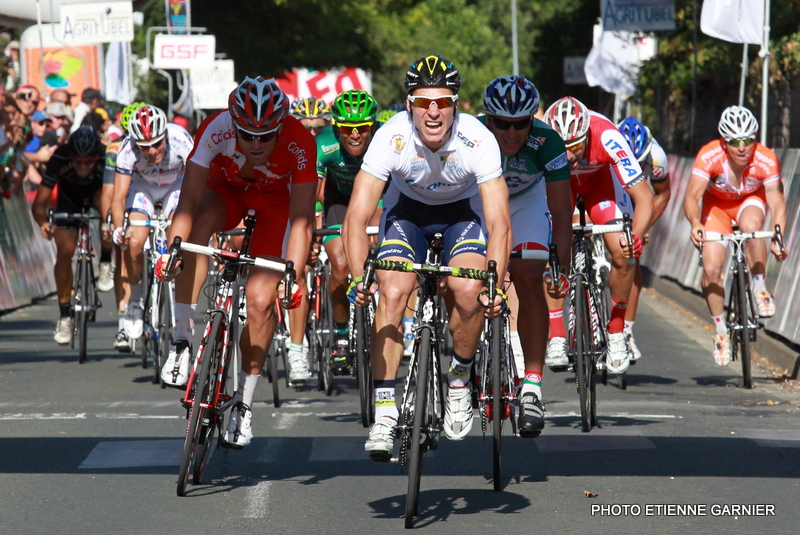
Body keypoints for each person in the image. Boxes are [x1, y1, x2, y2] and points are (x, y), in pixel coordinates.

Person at [342, 55, 511, 459]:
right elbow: (356, 214)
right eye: (423, 102)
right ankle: (384, 413)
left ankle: (459, 376)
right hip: (408, 215)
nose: (433, 111)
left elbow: (500, 222)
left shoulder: (478, 139)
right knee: (394, 289)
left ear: (456, 104)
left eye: (442, 101)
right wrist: (356, 275)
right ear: (409, 105)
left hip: (462, 215)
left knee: (469, 290)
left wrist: (496, 285)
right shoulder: (391, 136)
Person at [156, 77, 316, 448]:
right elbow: (188, 203)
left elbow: (303, 220)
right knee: (197, 230)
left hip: (275, 205)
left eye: (266, 135)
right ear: (234, 124)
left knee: (260, 302)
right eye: (247, 134)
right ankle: (181, 340)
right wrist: (172, 251)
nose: (256, 143)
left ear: (280, 127)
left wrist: (294, 275)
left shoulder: (300, 141)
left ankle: (243, 403)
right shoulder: (215, 129)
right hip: (226, 192)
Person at [479, 75, 572, 437]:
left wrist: (560, 267)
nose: (512, 133)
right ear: (489, 120)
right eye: (502, 123)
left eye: (521, 123)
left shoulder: (547, 142)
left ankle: (531, 386)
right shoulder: (473, 137)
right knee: (468, 280)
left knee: (530, 277)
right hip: (481, 202)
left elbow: (561, 212)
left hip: (526, 203)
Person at [543, 96, 654, 375]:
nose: (569, 155)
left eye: (576, 146)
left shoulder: (607, 136)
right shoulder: (541, 138)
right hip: (561, 187)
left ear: (586, 133)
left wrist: (635, 236)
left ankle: (616, 329)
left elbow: (645, 198)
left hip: (600, 187)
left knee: (623, 251)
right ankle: (556, 335)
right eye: (562, 147)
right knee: (552, 249)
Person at [684, 106, 788, 366]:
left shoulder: (766, 158)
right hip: (716, 208)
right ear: (723, 140)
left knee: (753, 227)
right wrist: (695, 221)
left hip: (750, 202)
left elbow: (777, 202)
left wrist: (778, 235)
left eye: (748, 140)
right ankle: (720, 331)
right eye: (734, 141)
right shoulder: (709, 155)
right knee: (710, 270)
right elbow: (692, 196)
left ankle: (760, 288)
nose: (742, 148)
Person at [111, 105, 194, 344]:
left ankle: (180, 301)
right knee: (134, 240)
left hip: (176, 186)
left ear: (166, 135)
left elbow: (199, 182)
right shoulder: (127, 150)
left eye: (157, 143)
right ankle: (135, 302)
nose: (151, 150)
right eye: (144, 146)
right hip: (143, 189)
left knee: (178, 235)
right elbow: (118, 197)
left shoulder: (181, 139)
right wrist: (119, 230)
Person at [316, 89, 382, 374]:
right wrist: (310, 227)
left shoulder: (384, 141)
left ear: (373, 126)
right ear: (336, 128)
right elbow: (313, 194)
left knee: (378, 246)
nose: (355, 135)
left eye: (363, 128)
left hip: (380, 197)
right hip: (339, 202)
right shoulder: (325, 143)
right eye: (347, 129)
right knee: (340, 266)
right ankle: (342, 335)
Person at [30, 126, 112, 344]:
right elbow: (40, 202)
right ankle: (65, 316)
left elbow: (117, 196)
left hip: (97, 194)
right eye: (77, 162)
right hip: (68, 199)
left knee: (108, 212)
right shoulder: (59, 157)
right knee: (65, 251)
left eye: (88, 162)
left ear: (97, 156)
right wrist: (43, 223)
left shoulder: (106, 157)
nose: (83, 167)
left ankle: (105, 261)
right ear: (70, 156)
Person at [617, 116, 671, 361]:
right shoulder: (611, 149)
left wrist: (643, 226)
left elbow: (662, 194)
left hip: (641, 198)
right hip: (612, 189)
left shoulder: (658, 157)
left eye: (640, 163)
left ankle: (626, 331)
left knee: (632, 258)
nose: (636, 167)